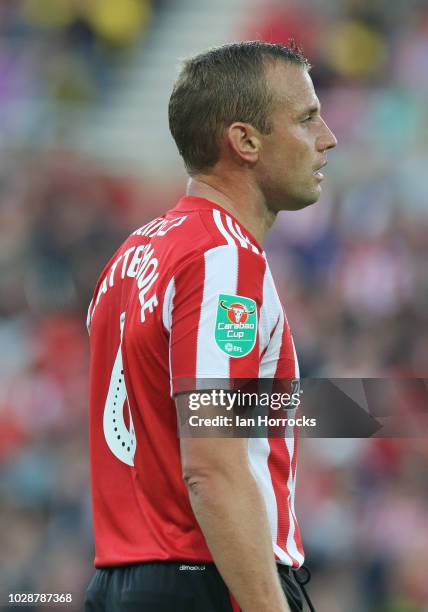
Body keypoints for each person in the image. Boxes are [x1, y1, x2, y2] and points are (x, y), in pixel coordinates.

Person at [84, 41, 337, 612]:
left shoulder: (131, 256)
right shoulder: (223, 256)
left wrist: (381, 407)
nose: (328, 137)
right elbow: (212, 465)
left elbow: (170, 412)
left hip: (120, 581)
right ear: (245, 141)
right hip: (205, 579)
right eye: (305, 118)